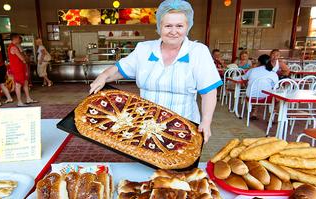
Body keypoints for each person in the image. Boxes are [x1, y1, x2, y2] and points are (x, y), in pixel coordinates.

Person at [89, 0, 221, 143]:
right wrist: (103, 76)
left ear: (187, 27)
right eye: (168, 26)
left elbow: (209, 91)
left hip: (183, 129)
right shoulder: (144, 49)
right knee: (145, 162)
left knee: (179, 164)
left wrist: (206, 122)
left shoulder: (198, 52)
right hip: (145, 126)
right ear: (159, 27)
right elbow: (120, 70)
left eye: (179, 26)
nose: (173, 31)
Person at [241, 54, 279, 120]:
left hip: (251, 97)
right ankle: (271, 116)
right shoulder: (273, 73)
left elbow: (243, 78)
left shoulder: (252, 70)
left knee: (257, 92)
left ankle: (254, 113)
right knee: (277, 99)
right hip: (266, 98)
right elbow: (276, 87)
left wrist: (247, 85)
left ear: (259, 62)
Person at [8, 33, 38, 106]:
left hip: (21, 67)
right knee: (18, 84)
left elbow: (22, 54)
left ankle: (28, 98)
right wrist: (26, 60)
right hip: (17, 68)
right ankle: (19, 102)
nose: (20, 39)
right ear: (15, 38)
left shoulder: (16, 46)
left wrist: (20, 47)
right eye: (18, 38)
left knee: (25, 83)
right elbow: (21, 57)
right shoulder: (13, 47)